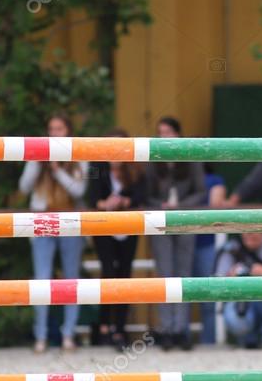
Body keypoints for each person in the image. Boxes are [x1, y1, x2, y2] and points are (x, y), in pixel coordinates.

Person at [19, 114, 88, 353]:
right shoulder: (38, 153)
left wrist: (57, 170)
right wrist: (37, 164)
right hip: (42, 220)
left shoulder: (78, 154)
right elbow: (24, 187)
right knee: (42, 280)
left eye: (59, 128)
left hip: (69, 220)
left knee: (71, 280)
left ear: (68, 131)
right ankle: (41, 337)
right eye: (51, 128)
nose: (55, 133)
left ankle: (68, 335)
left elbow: (78, 190)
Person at [145, 117, 206, 350]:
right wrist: (161, 206)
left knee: (183, 275)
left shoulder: (190, 157)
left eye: (169, 132)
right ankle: (167, 329)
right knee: (165, 275)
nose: (165, 137)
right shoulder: (152, 161)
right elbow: (146, 194)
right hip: (159, 221)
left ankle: (182, 330)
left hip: (186, 220)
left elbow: (201, 191)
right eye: (161, 132)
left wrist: (179, 206)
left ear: (179, 134)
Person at [88, 128, 145, 349]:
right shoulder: (97, 166)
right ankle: (103, 326)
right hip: (103, 224)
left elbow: (141, 196)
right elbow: (93, 198)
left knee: (125, 274)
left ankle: (119, 329)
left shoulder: (136, 168)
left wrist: (124, 202)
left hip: (128, 224)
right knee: (108, 273)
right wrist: (105, 204)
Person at [193, 164, 227, 344]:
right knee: (177, 291)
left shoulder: (214, 180)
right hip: (181, 243)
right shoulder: (184, 178)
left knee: (208, 294)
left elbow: (216, 205)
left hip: (206, 242)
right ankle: (181, 337)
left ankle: (209, 341)